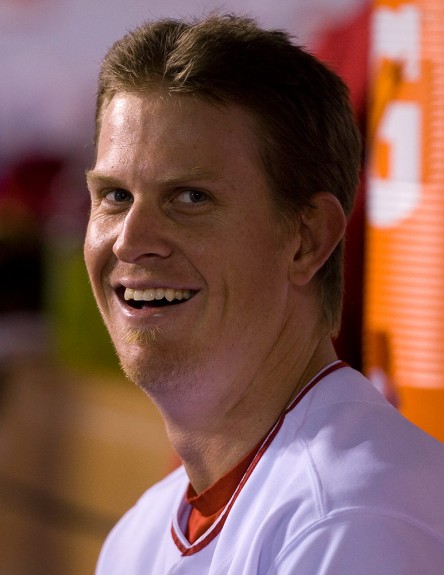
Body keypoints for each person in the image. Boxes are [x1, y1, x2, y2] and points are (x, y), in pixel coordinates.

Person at [84, 14, 444, 574]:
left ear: (306, 239)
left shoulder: (354, 521)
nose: (131, 240)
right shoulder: (142, 530)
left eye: (191, 197)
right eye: (114, 195)